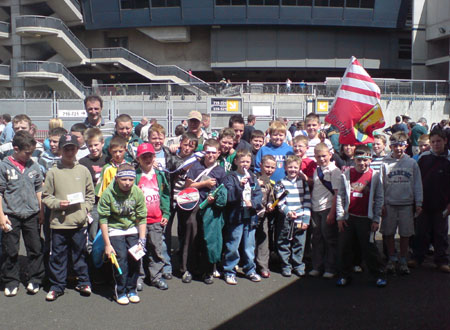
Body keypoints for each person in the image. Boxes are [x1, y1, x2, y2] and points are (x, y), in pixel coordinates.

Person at [42, 134, 95, 301]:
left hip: (79, 223)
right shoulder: (53, 172)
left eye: (73, 148)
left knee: (80, 254)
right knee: (58, 256)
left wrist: (84, 210)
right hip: (59, 223)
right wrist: (58, 204)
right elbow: (46, 196)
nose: (70, 151)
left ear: (77, 149)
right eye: (66, 148)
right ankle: (57, 286)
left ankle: (84, 282)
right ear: (60, 150)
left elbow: (90, 195)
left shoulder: (83, 170)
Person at [0, 131, 44, 297]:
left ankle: (35, 278)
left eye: (32, 152)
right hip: (11, 214)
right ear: (15, 149)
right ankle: (11, 280)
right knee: (10, 249)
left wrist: (41, 211)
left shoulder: (33, 165)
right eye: (27, 153)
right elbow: (0, 192)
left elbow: (39, 189)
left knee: (35, 248)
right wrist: (1, 216)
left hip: (32, 214)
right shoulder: (4, 166)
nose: (30, 155)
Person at [335, 145, 386, 287]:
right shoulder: (347, 174)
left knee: (369, 248)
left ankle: (378, 275)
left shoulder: (374, 175)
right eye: (359, 160)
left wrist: (376, 219)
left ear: (370, 160)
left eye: (365, 160)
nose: (362, 163)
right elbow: (341, 196)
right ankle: (345, 275)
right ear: (354, 160)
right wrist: (340, 217)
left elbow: (379, 198)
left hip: (366, 219)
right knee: (346, 247)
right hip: (349, 217)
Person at [98, 164, 147, 305]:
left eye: (131, 180)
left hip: (132, 228)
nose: (127, 183)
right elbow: (103, 219)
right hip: (115, 229)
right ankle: (120, 291)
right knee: (121, 260)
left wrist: (141, 241)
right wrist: (107, 244)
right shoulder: (108, 193)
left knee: (135, 259)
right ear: (117, 178)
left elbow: (142, 217)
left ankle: (132, 289)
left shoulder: (137, 192)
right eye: (124, 179)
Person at [182, 139, 227, 284]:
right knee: (191, 237)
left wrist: (215, 198)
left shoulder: (220, 171)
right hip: (195, 205)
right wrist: (204, 184)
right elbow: (188, 185)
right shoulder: (196, 167)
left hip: (211, 209)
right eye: (208, 152)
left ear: (218, 153)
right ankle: (188, 269)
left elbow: (223, 191)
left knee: (209, 239)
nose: (210, 155)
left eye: (213, 153)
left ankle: (207, 271)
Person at [381, 132, 422, 275]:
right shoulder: (384, 163)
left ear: (406, 146)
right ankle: (392, 259)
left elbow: (417, 184)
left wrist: (419, 202)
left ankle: (403, 259)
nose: (398, 148)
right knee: (388, 233)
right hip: (390, 203)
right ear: (390, 146)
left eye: (401, 145)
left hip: (406, 203)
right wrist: (381, 203)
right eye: (395, 145)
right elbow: (381, 185)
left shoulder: (412, 163)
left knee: (405, 234)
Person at [410, 130, 450, 272]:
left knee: (441, 233)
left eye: (438, 141)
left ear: (445, 141)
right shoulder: (423, 158)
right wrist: (416, 201)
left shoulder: (448, 159)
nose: (435, 144)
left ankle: (442, 261)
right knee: (421, 232)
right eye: (432, 142)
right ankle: (417, 257)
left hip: (442, 204)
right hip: (423, 202)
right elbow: (415, 180)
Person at [222, 149, 263, 285]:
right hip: (236, 216)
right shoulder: (230, 177)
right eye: (242, 161)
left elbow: (258, 194)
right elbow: (229, 196)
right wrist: (239, 186)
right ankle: (229, 270)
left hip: (249, 216)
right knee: (233, 244)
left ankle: (250, 270)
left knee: (249, 246)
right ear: (236, 162)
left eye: (247, 161)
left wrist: (254, 203)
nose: (244, 164)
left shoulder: (253, 176)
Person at [135, 143, 170, 290]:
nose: (147, 158)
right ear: (138, 159)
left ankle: (155, 277)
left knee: (156, 249)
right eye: (144, 156)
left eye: (150, 155)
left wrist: (166, 213)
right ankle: (138, 277)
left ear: (154, 156)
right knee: (138, 251)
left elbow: (166, 195)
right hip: (139, 221)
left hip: (156, 219)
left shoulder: (159, 175)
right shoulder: (135, 175)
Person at [165, 132, 198, 278]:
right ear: (180, 144)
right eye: (185, 144)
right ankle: (166, 265)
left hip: (187, 200)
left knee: (186, 230)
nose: (187, 148)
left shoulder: (196, 160)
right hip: (172, 198)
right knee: (165, 230)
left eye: (191, 146)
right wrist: (170, 147)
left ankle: (184, 267)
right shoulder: (171, 157)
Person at [274, 155, 312, 277]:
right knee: (284, 241)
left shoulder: (303, 183)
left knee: (299, 243)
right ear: (285, 167)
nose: (293, 170)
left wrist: (306, 218)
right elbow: (279, 202)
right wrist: (288, 212)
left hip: (300, 218)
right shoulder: (280, 183)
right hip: (287, 218)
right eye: (290, 167)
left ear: (299, 168)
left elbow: (307, 201)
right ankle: (286, 265)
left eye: (295, 167)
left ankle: (298, 264)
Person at [309, 143, 340, 279]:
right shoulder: (317, 170)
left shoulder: (334, 170)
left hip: (327, 207)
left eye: (324, 156)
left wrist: (332, 213)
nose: (321, 159)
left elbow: (337, 193)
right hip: (315, 208)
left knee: (329, 238)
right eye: (318, 156)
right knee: (317, 239)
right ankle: (317, 266)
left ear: (330, 155)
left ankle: (330, 267)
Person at [79, 128, 107, 252]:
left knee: (107, 233)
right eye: (90, 146)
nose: (93, 148)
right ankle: (92, 264)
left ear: (102, 143)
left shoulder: (108, 160)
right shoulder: (83, 162)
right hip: (92, 204)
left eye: (96, 145)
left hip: (106, 203)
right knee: (92, 234)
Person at [255, 155, 276, 278]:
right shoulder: (253, 178)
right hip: (251, 214)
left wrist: (270, 205)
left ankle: (263, 266)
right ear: (261, 166)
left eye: (272, 168)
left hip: (264, 216)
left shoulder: (271, 183)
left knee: (263, 240)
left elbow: (270, 198)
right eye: (267, 166)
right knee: (249, 241)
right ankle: (249, 264)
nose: (269, 170)